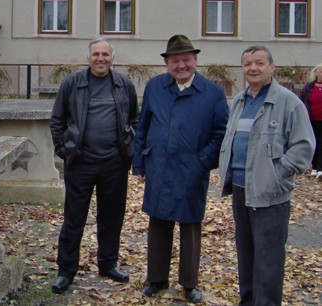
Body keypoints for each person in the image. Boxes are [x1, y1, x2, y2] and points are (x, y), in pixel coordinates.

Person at [132, 34, 229, 303]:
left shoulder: (213, 93)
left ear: (195, 60)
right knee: (158, 222)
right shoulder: (155, 87)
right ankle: (156, 278)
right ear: (167, 63)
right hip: (159, 166)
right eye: (175, 61)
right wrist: (139, 162)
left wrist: (202, 162)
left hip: (192, 169)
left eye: (186, 59)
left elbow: (220, 133)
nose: (181, 66)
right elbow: (143, 126)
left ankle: (189, 283)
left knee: (190, 225)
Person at [219, 45, 314, 306]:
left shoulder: (288, 102)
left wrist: (276, 175)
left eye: (260, 63)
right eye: (248, 64)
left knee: (268, 259)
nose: (253, 68)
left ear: (272, 67)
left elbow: (304, 147)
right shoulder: (239, 101)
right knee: (246, 255)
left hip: (270, 195)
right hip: (241, 190)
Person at [49, 37, 138, 294]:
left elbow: (135, 119)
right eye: (96, 54)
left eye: (105, 54)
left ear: (112, 58)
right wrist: (63, 150)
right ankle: (66, 271)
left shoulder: (124, 85)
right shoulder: (72, 84)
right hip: (81, 163)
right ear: (88, 57)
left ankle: (108, 264)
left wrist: (129, 150)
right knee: (74, 218)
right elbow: (57, 120)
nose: (101, 58)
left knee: (111, 217)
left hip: (114, 163)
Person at [298, 63, 322, 178]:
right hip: (312, 120)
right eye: (321, 71)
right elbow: (301, 101)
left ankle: (320, 168)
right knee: (314, 143)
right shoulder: (309, 87)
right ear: (316, 73)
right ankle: (315, 167)